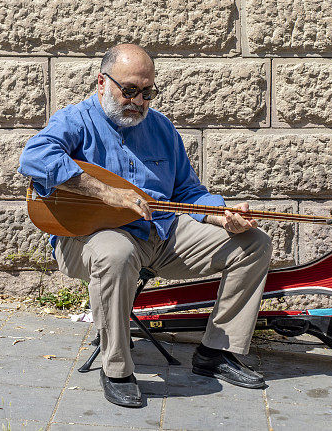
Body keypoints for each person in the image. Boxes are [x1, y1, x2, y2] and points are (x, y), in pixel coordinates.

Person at [18, 44, 273, 408]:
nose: (138, 101)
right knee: (116, 252)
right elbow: (34, 157)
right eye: (130, 90)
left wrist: (223, 216)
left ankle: (216, 352)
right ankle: (117, 368)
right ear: (102, 82)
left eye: (147, 92)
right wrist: (107, 193)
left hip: (160, 232)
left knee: (254, 243)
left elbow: (188, 191)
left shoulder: (162, 128)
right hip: (88, 238)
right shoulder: (75, 120)